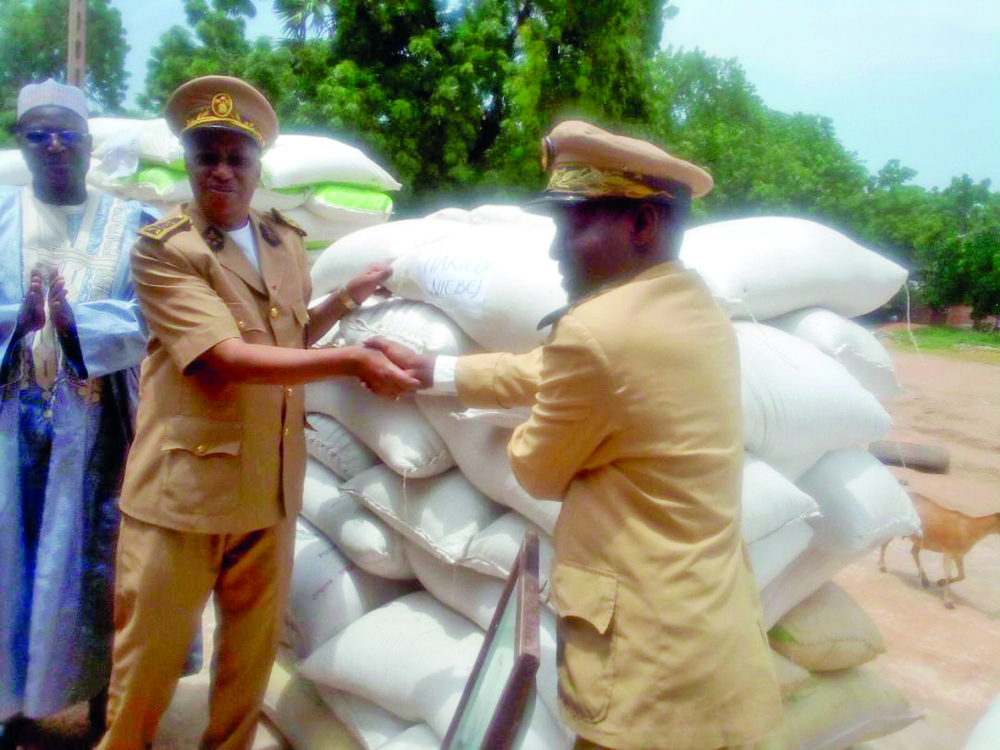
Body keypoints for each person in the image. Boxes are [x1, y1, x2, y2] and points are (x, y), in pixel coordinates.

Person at [368, 121, 785, 750]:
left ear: (642, 224)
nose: (557, 251)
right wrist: (441, 371)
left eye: (574, 226)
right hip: (717, 645)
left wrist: (544, 424)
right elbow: (554, 372)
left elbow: (537, 471)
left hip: (649, 674)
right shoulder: (693, 305)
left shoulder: (596, 333)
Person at [96, 75, 418, 750]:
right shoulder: (165, 249)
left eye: (235, 158)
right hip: (181, 499)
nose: (220, 170)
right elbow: (225, 357)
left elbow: (288, 339)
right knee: (145, 676)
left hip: (268, 490)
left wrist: (345, 305)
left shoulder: (285, 243)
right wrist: (353, 361)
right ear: (188, 162)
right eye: (205, 155)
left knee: (247, 670)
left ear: (256, 168)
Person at [0, 79, 156, 746]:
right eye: (40, 134)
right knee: (10, 557)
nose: (56, 144)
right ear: (22, 143)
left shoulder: (135, 224)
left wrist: (72, 323)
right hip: (10, 423)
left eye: (69, 133)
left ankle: (102, 702)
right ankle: (11, 705)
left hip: (98, 426)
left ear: (91, 146)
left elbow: (151, 315)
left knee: (101, 565)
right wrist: (19, 322)